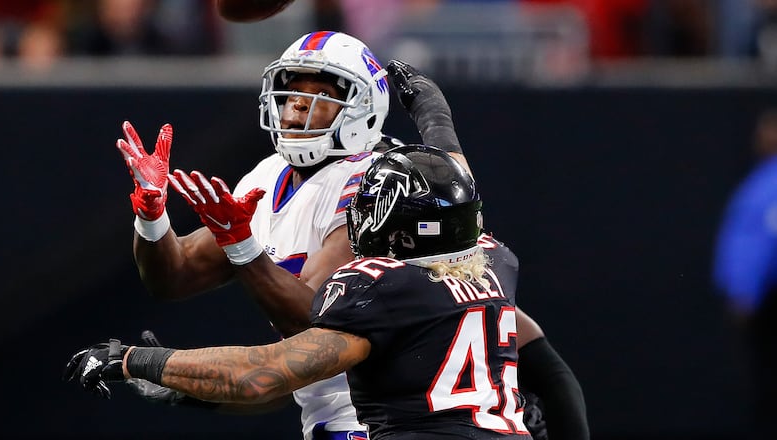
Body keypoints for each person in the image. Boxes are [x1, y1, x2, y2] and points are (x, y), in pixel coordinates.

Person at [108, 30, 587, 439]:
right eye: (291, 95)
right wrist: (152, 215)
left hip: (374, 421)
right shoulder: (490, 254)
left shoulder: (378, 182)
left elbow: (307, 332)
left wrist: (152, 359)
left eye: (317, 99)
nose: (296, 111)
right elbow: (173, 280)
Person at [65, 144, 535, 440]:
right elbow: (452, 167)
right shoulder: (494, 262)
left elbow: (262, 375)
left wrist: (132, 359)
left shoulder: (383, 288)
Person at [712, 109, 777, 440]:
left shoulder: (771, 183)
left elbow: (766, 240)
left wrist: (746, 291)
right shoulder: (762, 179)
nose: (762, 135)